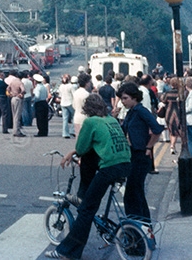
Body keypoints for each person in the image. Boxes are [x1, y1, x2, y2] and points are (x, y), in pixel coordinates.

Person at [45, 94, 131, 260]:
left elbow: (82, 147)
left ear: (87, 110)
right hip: (126, 164)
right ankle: (85, 197)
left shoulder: (90, 122)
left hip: (110, 168)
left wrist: (73, 152)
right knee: (92, 167)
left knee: (86, 211)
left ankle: (67, 252)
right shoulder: (111, 120)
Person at [119, 82, 164, 221]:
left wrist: (149, 146)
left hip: (140, 156)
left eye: (125, 98)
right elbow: (123, 131)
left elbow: (157, 129)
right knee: (135, 193)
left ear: (134, 97)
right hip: (132, 154)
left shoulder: (141, 111)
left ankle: (138, 224)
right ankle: (140, 225)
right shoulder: (131, 112)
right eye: (122, 98)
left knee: (133, 193)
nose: (123, 101)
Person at [161, 77, 183, 155]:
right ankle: (172, 146)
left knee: (171, 130)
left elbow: (163, 100)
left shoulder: (167, 92)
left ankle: (172, 146)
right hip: (177, 112)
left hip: (169, 112)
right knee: (176, 130)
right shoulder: (180, 93)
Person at [5, 70, 26, 137]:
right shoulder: (20, 82)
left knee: (14, 115)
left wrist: (11, 93)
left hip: (13, 98)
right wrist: (21, 94)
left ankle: (15, 130)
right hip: (18, 99)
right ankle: (16, 131)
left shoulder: (12, 82)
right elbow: (23, 90)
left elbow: (7, 88)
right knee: (17, 115)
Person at [58, 74, 75, 139]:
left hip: (63, 103)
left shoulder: (61, 86)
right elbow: (74, 94)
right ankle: (72, 130)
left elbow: (60, 95)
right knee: (74, 117)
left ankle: (65, 133)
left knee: (65, 119)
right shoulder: (71, 86)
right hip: (70, 102)